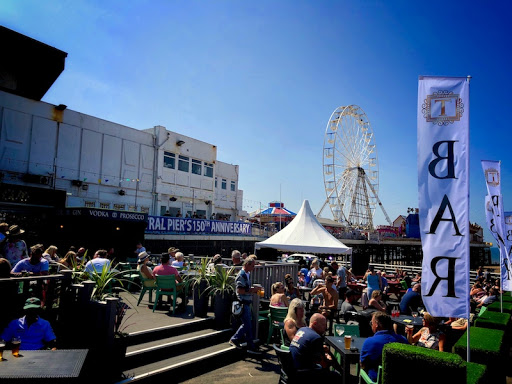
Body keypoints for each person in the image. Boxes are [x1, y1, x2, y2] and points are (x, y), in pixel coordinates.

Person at [289, 313, 341, 379]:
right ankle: (344, 375)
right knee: (336, 376)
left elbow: (307, 349)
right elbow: (324, 365)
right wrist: (329, 359)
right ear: (315, 324)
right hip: (302, 373)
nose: (325, 328)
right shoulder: (316, 337)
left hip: (292, 367)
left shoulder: (302, 329)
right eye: (323, 325)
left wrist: (321, 350)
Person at [360, 311, 408, 382]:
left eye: (371, 323)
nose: (371, 326)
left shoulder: (370, 342)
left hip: (377, 380)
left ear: (376, 324)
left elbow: (362, 364)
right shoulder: (403, 340)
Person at [229, 258, 262, 355]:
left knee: (248, 324)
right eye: (252, 265)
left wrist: (253, 290)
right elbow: (240, 290)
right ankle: (235, 339)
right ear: (247, 264)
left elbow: (244, 289)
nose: (253, 267)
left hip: (246, 302)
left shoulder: (246, 274)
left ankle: (250, 345)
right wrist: (252, 290)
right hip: (243, 302)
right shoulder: (242, 275)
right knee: (247, 324)